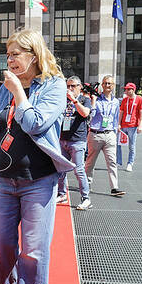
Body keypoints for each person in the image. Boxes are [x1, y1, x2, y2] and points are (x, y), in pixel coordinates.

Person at [0, 28, 74, 284]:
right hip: (5, 179)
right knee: (0, 240)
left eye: (16, 53)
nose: (10, 59)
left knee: (33, 248)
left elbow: (35, 123)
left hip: (38, 180)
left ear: (33, 54)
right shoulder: (7, 87)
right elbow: (5, 124)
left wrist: (19, 91)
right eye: (8, 55)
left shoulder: (54, 85)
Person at [85, 75, 126, 196]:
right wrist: (92, 102)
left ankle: (114, 187)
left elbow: (115, 117)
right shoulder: (96, 99)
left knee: (112, 162)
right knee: (90, 162)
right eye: (105, 83)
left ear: (113, 86)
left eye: (109, 83)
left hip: (109, 135)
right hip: (95, 134)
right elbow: (90, 116)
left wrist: (115, 131)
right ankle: (87, 184)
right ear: (102, 85)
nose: (107, 85)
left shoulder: (115, 102)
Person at [57, 75, 92, 210]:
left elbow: (85, 113)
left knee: (79, 170)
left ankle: (85, 198)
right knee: (60, 170)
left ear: (79, 87)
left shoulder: (85, 100)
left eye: (73, 86)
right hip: (63, 139)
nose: (70, 89)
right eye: (68, 86)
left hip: (77, 140)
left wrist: (74, 101)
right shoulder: (63, 100)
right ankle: (62, 194)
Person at [116, 82, 142, 172]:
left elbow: (141, 112)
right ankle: (118, 162)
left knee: (131, 146)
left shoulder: (139, 99)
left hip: (133, 126)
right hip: (123, 125)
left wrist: (140, 125)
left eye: (128, 89)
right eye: (126, 89)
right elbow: (121, 112)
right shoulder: (125, 100)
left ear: (133, 90)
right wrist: (119, 124)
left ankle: (130, 163)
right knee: (118, 144)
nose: (126, 91)